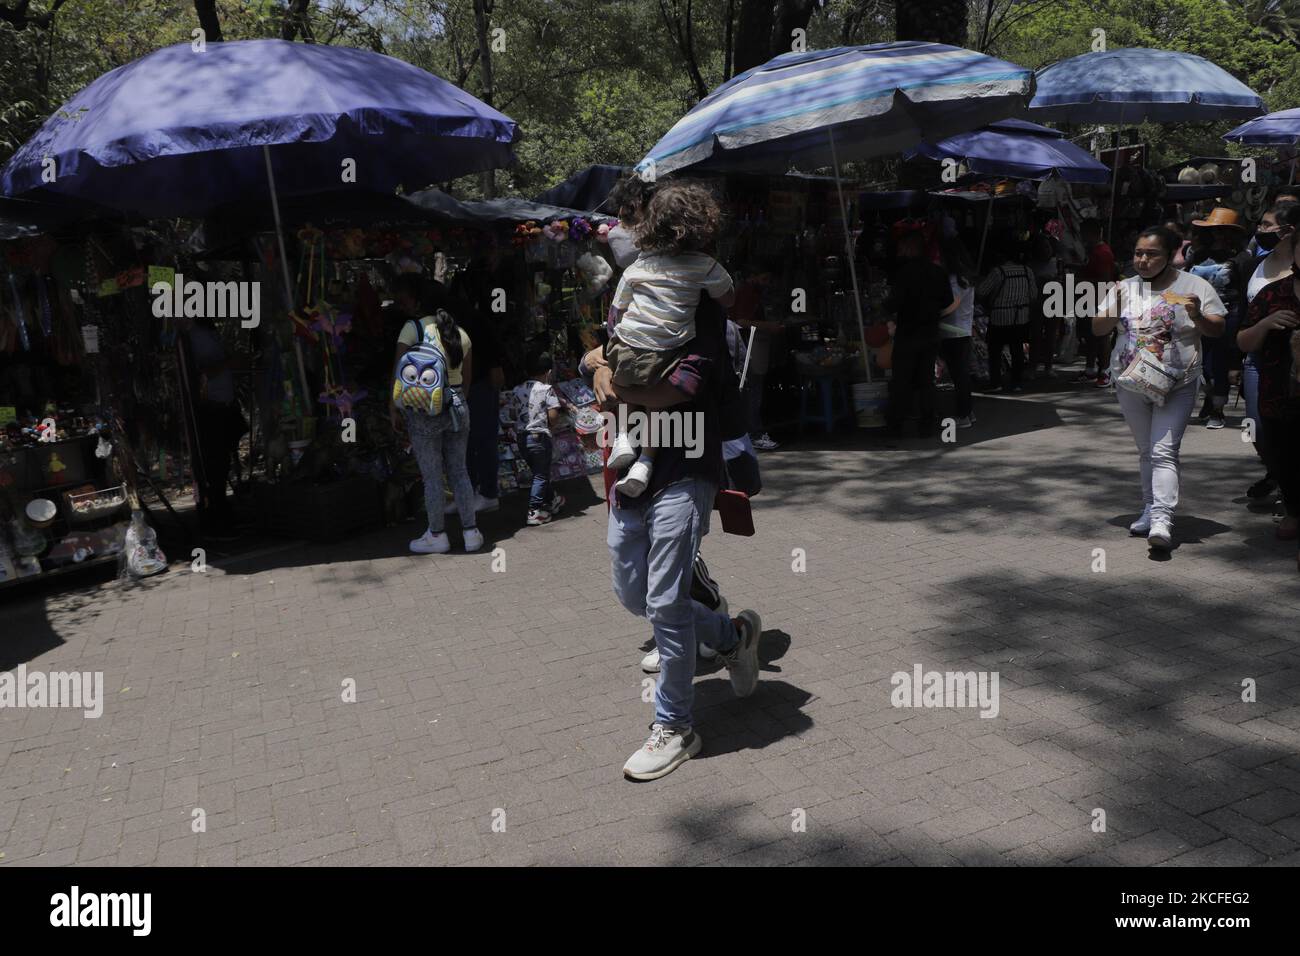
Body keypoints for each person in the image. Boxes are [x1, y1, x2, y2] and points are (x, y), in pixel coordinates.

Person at [582, 291, 762, 782]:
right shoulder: (635, 291)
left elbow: (682, 387)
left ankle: (675, 727)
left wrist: (616, 383)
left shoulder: (702, 308)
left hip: (687, 466)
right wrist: (597, 365)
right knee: (633, 593)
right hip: (629, 469)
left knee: (664, 601)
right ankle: (733, 637)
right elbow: (598, 353)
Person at [1094, 226, 1226, 550]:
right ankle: (1149, 507)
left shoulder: (1194, 286)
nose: (1142, 260)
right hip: (1130, 381)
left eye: (1151, 254)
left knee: (1163, 450)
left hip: (1176, 383)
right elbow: (1098, 328)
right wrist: (1115, 304)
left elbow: (1217, 329)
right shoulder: (1124, 287)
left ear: (1170, 256)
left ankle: (1163, 520)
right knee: (1145, 451)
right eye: (1138, 253)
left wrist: (1197, 314)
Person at [605, 181, 736, 496]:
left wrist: (608, 358)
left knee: (628, 377)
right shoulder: (705, 267)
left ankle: (623, 436)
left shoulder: (637, 267)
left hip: (627, 345)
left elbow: (617, 313)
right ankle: (645, 461)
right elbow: (729, 298)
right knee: (654, 401)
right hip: (666, 353)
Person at [389, 274, 481, 554]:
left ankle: (437, 535)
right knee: (459, 471)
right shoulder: (460, 334)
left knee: (431, 476)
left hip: (424, 409)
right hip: (457, 406)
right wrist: (456, 401)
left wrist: (393, 406)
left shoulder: (412, 329)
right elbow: (466, 380)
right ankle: (471, 533)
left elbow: (399, 373)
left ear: (419, 302)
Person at [1237, 210, 1300, 570]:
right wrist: (1266, 323)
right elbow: (1243, 339)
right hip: (1276, 385)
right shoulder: (1270, 291)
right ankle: (1292, 506)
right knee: (1276, 444)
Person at [1243, 202, 1298, 505]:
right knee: (1258, 427)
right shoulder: (1256, 263)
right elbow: (1242, 315)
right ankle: (1278, 474)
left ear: (1288, 231)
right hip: (1257, 360)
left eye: (1266, 225)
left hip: (1293, 364)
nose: (1260, 230)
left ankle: (1290, 494)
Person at [1184, 207, 1252, 429]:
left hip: (1227, 315)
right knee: (1201, 363)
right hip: (1196, 315)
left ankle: (1217, 410)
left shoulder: (1241, 259)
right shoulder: (1198, 255)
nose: (1218, 235)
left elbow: (1244, 293)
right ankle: (1209, 398)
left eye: (1223, 231)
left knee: (1219, 363)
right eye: (1215, 230)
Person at [885, 229, 957, 436]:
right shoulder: (938, 272)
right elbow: (948, 302)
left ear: (909, 248)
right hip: (930, 332)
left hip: (908, 332)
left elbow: (893, 302)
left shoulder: (904, 273)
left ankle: (895, 424)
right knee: (926, 380)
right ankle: (926, 423)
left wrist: (885, 309)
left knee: (902, 381)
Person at [179, 314, 244, 542]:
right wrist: (228, 363)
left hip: (220, 405)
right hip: (212, 408)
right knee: (216, 464)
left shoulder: (204, 333)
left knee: (221, 462)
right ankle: (218, 513)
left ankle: (222, 511)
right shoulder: (196, 335)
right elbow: (204, 371)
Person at [511, 351, 570, 527]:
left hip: (522, 438)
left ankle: (552, 500)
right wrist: (553, 425)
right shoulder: (546, 389)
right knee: (541, 475)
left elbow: (513, 414)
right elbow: (553, 415)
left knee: (539, 473)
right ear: (548, 372)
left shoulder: (517, 389)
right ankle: (534, 511)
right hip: (539, 437)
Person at [731, 257, 784, 451]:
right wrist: (770, 326)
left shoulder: (752, 292)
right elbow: (742, 320)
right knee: (752, 391)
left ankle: (752, 432)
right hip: (748, 343)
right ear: (753, 277)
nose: (766, 283)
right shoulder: (747, 293)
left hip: (752, 342)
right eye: (763, 279)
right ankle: (754, 433)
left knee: (752, 390)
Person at [976, 240, 1037, 393]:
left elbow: (981, 291)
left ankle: (996, 382)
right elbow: (1034, 295)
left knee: (995, 351)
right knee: (1017, 350)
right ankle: (1017, 382)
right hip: (1021, 317)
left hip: (999, 317)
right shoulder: (1027, 271)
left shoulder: (998, 272)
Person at [938, 237, 977, 427]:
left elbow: (951, 305)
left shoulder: (955, 280)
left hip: (952, 332)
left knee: (959, 375)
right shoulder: (965, 278)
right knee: (962, 374)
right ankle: (967, 412)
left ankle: (963, 414)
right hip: (962, 331)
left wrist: (934, 314)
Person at [1076, 219, 1117, 387]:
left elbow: (1105, 280)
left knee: (1102, 336)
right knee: (1091, 335)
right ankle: (1090, 369)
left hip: (1100, 299)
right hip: (1091, 298)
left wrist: (1080, 280)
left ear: (1091, 233)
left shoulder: (1102, 253)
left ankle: (1105, 371)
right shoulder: (1095, 251)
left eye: (1084, 234)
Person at [1027, 227, 1061, 380]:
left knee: (1051, 336)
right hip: (1036, 304)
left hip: (1053, 303)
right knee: (1035, 336)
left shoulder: (1057, 263)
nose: (1045, 250)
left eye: (1047, 247)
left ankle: (1048, 366)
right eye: (1042, 247)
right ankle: (1032, 367)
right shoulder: (1031, 265)